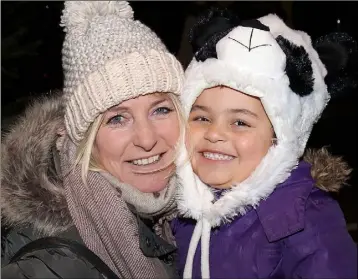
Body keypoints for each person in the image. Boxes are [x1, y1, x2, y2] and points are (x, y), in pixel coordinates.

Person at [1, 1, 185, 278]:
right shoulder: (50, 266)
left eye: (160, 110)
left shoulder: (190, 217)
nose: (147, 139)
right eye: (117, 119)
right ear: (83, 138)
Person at [172, 8, 357, 279]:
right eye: (201, 117)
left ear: (279, 139)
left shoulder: (306, 221)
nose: (214, 134)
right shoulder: (179, 203)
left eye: (240, 122)